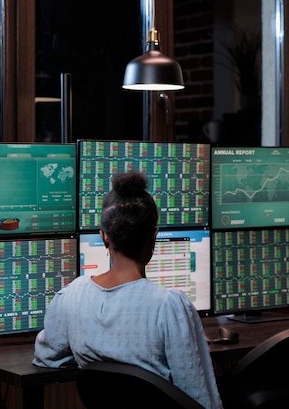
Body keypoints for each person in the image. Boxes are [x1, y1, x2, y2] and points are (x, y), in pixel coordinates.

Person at [33, 170, 223, 409]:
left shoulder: (71, 297)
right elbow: (200, 399)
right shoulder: (169, 306)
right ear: (154, 237)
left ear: (104, 238)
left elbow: (47, 357)